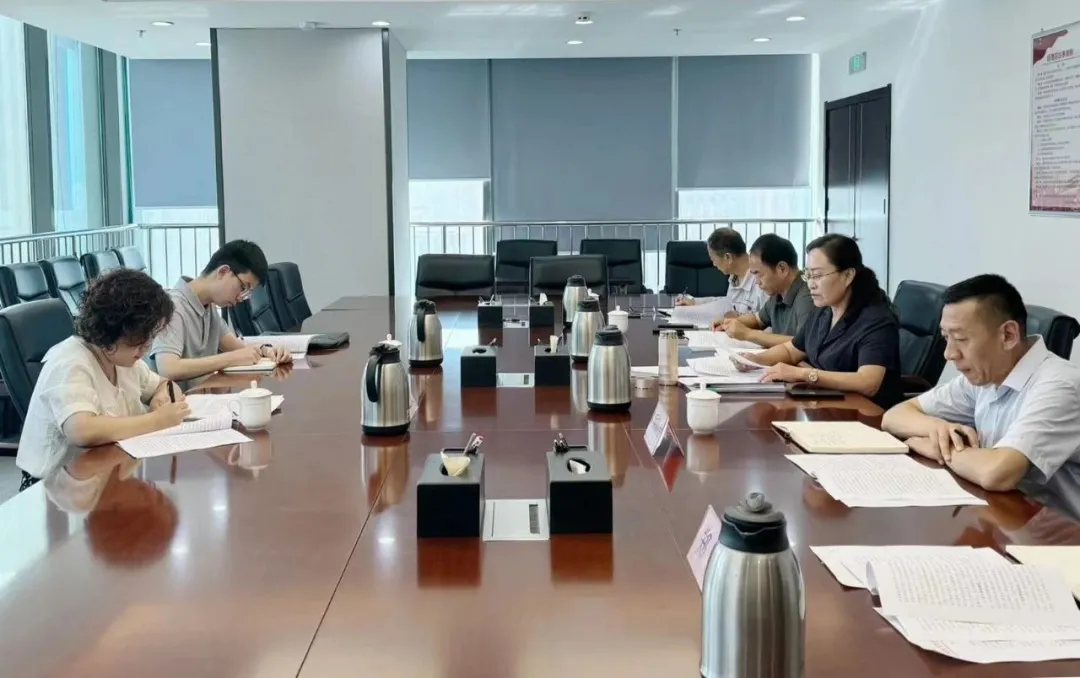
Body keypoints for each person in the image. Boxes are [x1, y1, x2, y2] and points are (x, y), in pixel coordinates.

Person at [881, 274, 1080, 515]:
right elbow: (894, 416)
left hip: (1059, 529)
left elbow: (997, 473)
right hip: (1007, 515)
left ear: (1008, 335)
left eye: (960, 339)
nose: (949, 353)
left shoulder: (1060, 386)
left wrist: (934, 448)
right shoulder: (985, 375)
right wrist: (939, 430)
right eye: (946, 338)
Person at [16, 269, 192, 491]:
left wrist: (161, 398)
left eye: (151, 338)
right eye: (141, 338)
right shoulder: (70, 363)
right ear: (114, 328)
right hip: (56, 489)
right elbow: (81, 430)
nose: (146, 348)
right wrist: (157, 420)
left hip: (107, 475)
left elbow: (164, 384)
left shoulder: (123, 358)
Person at [732, 233, 902, 409]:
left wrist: (804, 374)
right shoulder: (823, 312)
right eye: (809, 275)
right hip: (825, 405)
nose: (811, 284)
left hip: (864, 413)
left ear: (847, 276)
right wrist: (755, 360)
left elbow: (868, 382)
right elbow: (791, 351)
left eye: (818, 276)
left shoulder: (876, 321)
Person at [150, 240, 292, 382]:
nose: (241, 298)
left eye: (247, 292)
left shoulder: (208, 306)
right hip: (180, 396)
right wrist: (231, 359)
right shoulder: (172, 306)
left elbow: (236, 347)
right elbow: (169, 369)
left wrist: (266, 350)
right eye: (243, 287)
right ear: (223, 271)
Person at [714, 233, 814, 348]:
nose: (757, 282)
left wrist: (748, 334)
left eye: (759, 274)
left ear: (782, 269)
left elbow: (802, 344)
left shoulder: (808, 296)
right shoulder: (778, 292)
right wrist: (728, 323)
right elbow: (758, 319)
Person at [675, 227, 768, 316]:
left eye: (713, 259)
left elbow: (768, 321)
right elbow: (725, 303)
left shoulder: (761, 281)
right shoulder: (735, 276)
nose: (714, 264)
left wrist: (739, 320)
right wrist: (695, 302)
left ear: (728, 257)